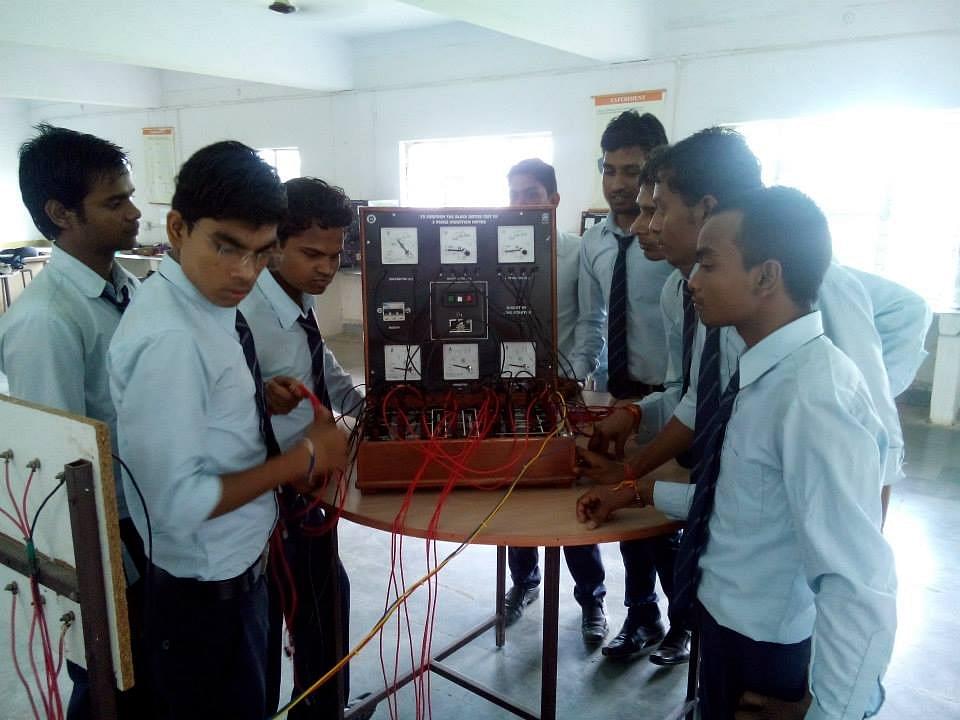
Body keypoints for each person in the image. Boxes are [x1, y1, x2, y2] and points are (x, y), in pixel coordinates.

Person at [578, 186, 897, 720]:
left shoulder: (814, 397)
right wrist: (636, 491)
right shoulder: (759, 373)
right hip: (726, 627)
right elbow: (745, 505)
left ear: (766, 276)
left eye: (708, 265)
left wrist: (826, 713)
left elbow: (857, 581)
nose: (693, 282)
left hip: (766, 649)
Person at [107, 141, 348, 720]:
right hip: (205, 597)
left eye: (261, 254)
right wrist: (301, 460)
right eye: (226, 246)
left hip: (240, 571)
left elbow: (199, 414)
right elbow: (177, 503)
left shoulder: (204, 307)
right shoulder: (172, 338)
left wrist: (257, 395)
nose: (244, 272)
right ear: (177, 227)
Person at [583, 128, 920, 531]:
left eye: (659, 209)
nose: (646, 226)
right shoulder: (692, 291)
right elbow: (697, 398)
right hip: (731, 508)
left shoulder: (815, 291)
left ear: (706, 210)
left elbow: (877, 438)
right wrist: (633, 460)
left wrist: (866, 537)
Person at [0, 124, 147, 719]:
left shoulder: (129, 290)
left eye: (129, 196)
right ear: (61, 213)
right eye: (114, 202)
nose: (134, 213)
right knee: (110, 683)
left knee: (152, 680)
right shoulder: (46, 321)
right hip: (113, 533)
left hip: (151, 515)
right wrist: (111, 570)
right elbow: (64, 471)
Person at [238, 176, 366, 718]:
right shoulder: (245, 315)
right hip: (271, 503)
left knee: (326, 604)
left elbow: (326, 370)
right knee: (274, 625)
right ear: (274, 244)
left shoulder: (296, 301)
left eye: (335, 255)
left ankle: (321, 707)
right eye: (312, 254)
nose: (326, 268)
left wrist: (375, 411)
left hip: (310, 492)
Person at [501, 158, 606, 639]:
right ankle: (523, 582)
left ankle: (591, 599)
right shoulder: (495, 248)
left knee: (570, 489)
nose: (521, 203)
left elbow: (590, 320)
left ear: (554, 200)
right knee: (517, 487)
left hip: (561, 390)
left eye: (531, 194)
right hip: (510, 391)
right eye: (514, 194)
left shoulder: (576, 252)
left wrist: (575, 374)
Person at [572, 110, 674, 398]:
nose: (616, 185)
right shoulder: (593, 242)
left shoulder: (672, 240)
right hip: (613, 390)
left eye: (632, 172)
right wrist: (574, 377)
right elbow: (591, 321)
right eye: (609, 170)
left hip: (671, 394)